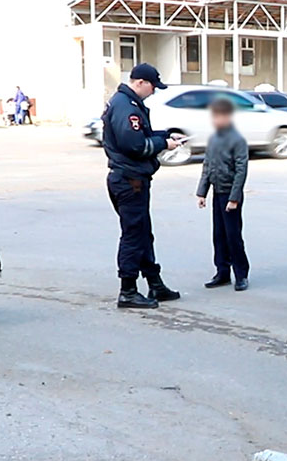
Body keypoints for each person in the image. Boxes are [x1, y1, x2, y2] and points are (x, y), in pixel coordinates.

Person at [102, 63, 183, 309]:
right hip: (130, 180)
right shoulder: (126, 107)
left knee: (143, 233)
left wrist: (164, 136)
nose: (153, 91)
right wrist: (163, 145)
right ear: (140, 83)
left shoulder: (127, 103)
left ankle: (154, 283)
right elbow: (135, 146)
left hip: (132, 179)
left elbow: (140, 136)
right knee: (133, 236)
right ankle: (127, 290)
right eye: (152, 86)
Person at [196, 96, 251, 291]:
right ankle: (222, 272)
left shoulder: (237, 140)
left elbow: (241, 170)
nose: (216, 120)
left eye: (219, 116)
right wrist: (202, 192)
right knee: (218, 235)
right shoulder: (213, 139)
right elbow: (207, 165)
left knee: (233, 236)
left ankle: (241, 274)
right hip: (217, 193)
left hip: (230, 194)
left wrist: (234, 198)